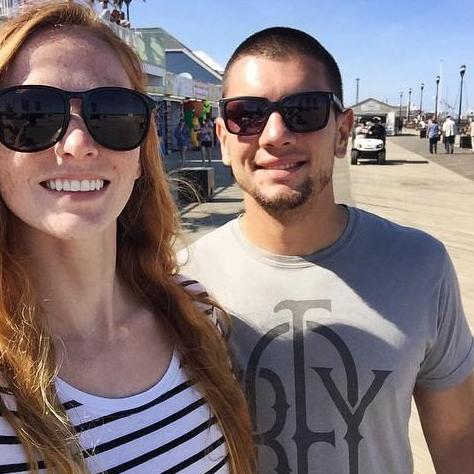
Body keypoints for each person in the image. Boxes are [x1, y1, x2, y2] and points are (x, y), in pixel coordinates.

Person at [180, 26, 474, 474]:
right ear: (222, 136)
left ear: (343, 132)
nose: (275, 134)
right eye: (248, 114)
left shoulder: (420, 266)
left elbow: (459, 439)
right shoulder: (181, 281)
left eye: (304, 110)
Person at [0, 3, 255, 473]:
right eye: (30, 113)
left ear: (141, 154)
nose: (77, 143)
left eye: (113, 113)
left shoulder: (197, 319)